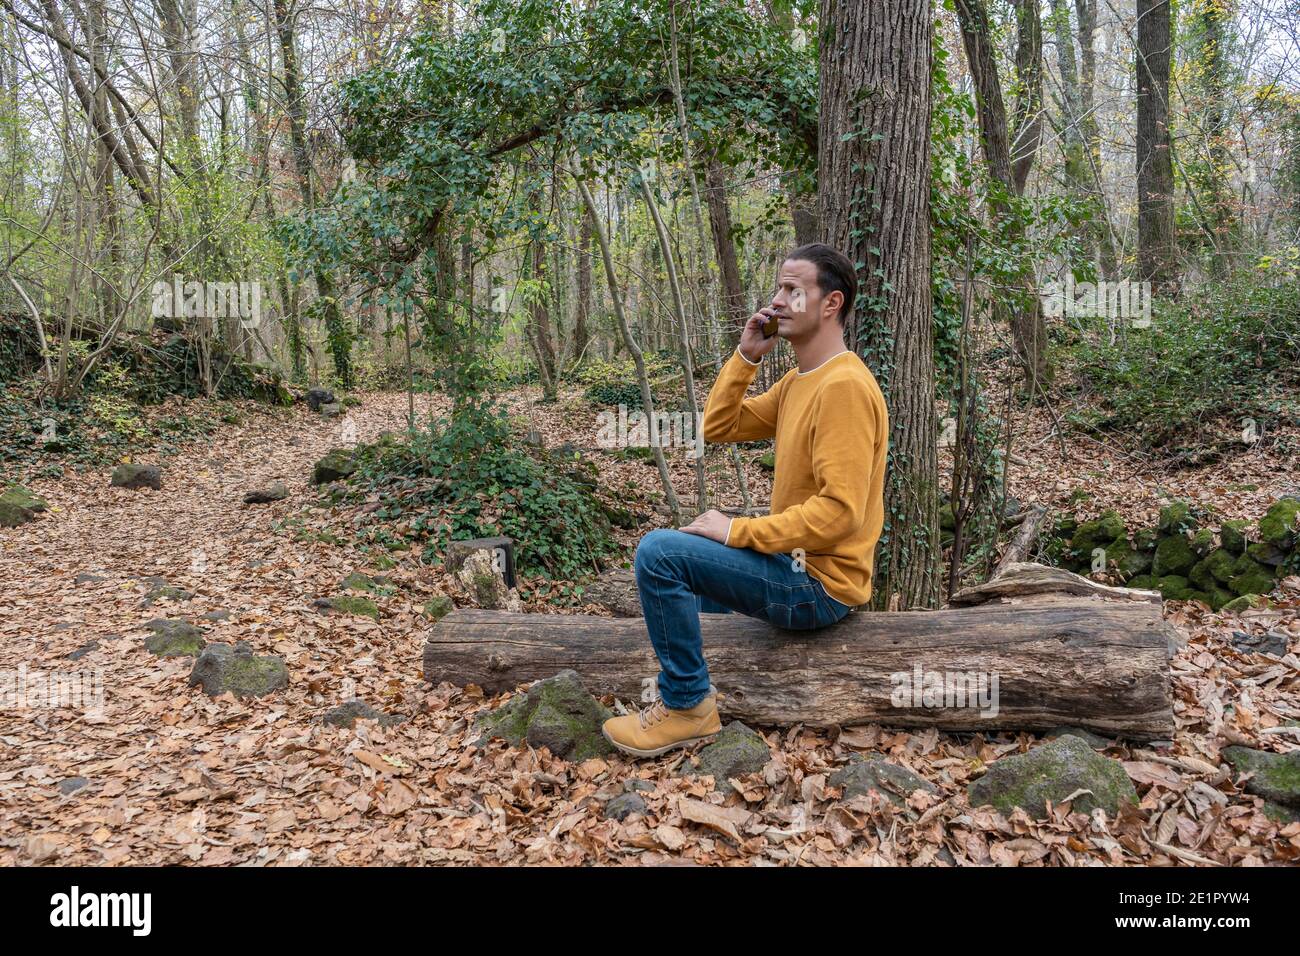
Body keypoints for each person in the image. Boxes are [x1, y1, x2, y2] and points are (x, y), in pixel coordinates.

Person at [601, 243, 890, 757]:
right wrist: (746, 356)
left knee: (659, 554)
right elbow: (719, 426)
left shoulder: (844, 386)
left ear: (830, 304)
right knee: (679, 581)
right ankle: (679, 694)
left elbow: (841, 514)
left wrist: (739, 531)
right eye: (778, 288)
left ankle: (689, 706)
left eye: (792, 290)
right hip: (791, 566)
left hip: (819, 586)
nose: (777, 300)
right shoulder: (801, 381)